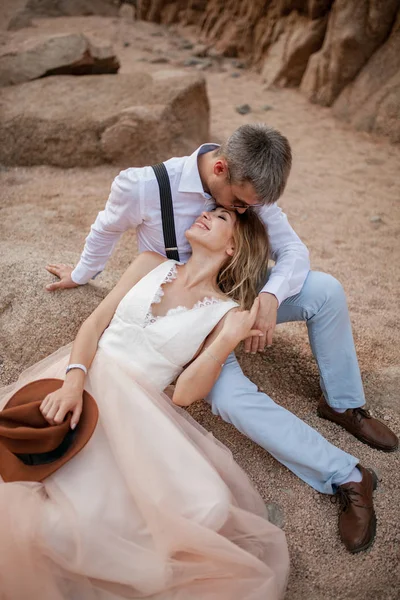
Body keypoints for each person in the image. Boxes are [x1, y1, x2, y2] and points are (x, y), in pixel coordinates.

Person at [45, 123, 398, 553]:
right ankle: (347, 474)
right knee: (230, 399)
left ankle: (343, 405)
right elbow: (104, 229)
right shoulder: (145, 187)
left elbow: (294, 252)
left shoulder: (250, 189)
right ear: (220, 169)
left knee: (325, 291)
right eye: (239, 205)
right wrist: (81, 274)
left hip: (234, 300)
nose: (247, 212)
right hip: (182, 317)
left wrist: (268, 297)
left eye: (248, 208)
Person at [0, 208, 289, 599]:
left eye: (220, 216)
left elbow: (185, 394)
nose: (205, 214)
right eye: (208, 209)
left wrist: (225, 342)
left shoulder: (227, 314)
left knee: (201, 507)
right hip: (84, 376)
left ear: (234, 245)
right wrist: (73, 382)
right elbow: (94, 324)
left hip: (137, 412)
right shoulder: (150, 263)